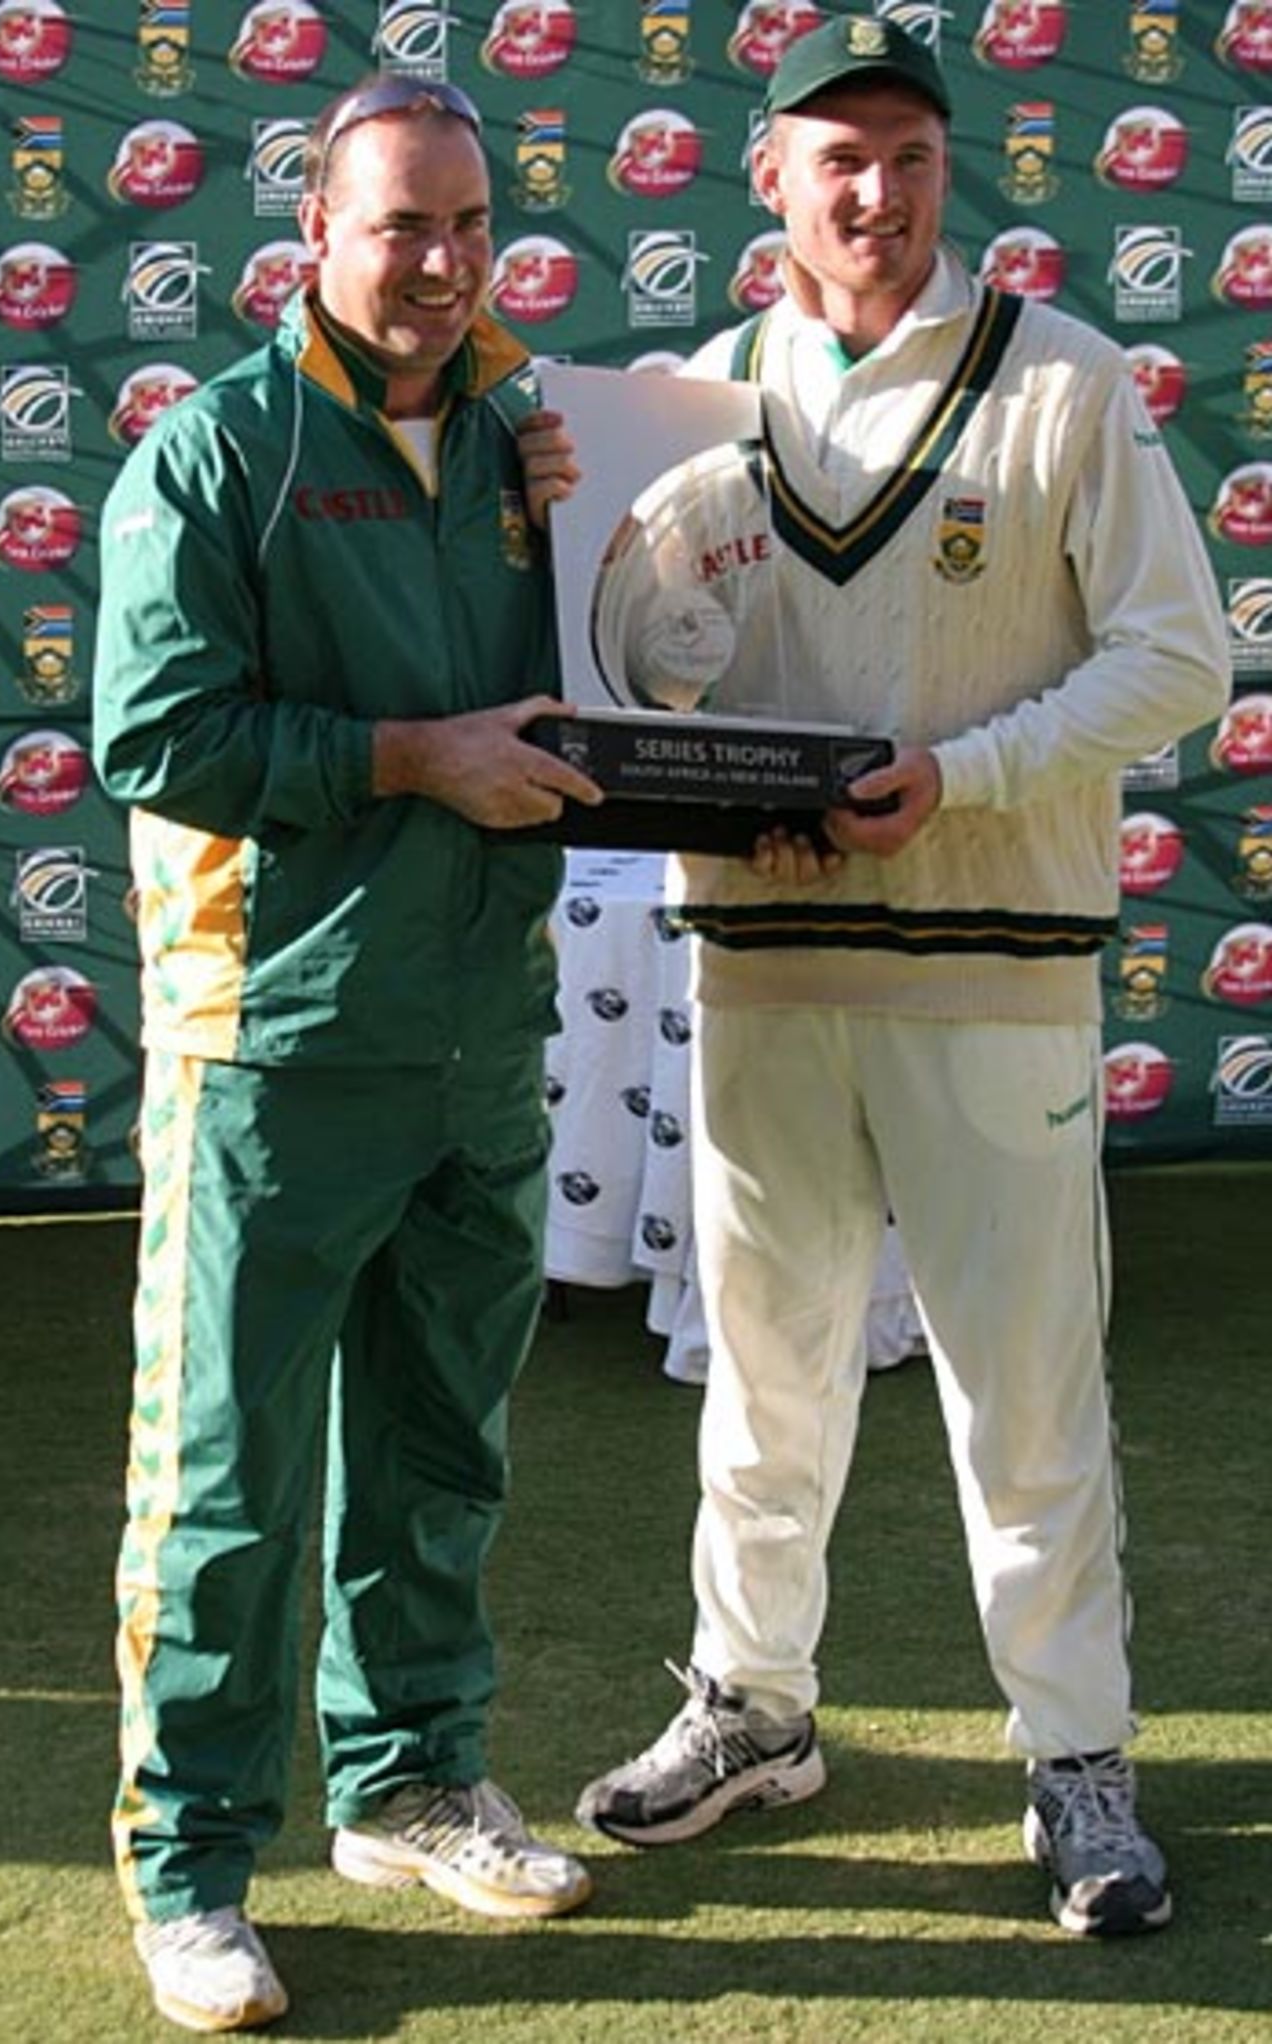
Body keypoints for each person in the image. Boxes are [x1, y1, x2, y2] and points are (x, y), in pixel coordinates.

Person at [521, 15, 1230, 1938]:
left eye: (910, 155)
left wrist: (974, 775)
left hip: (998, 970)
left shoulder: (1065, 382)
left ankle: (1075, 1757)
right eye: (838, 157)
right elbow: (635, 660)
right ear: (769, 180)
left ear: (947, 170)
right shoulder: (686, 403)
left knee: (1025, 1393)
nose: (878, 193)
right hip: (763, 961)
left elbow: (1183, 662)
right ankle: (753, 1707)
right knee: (763, 1378)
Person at [93, 73, 603, 2034]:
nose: (443, 261)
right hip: (273, 1049)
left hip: (478, 1035)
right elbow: (159, 738)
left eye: (472, 224)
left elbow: (613, 679)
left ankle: (408, 1781)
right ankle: (191, 1867)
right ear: (315, 231)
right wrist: (412, 756)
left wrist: (599, 515)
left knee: (433, 1444)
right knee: (223, 1484)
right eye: (403, 224)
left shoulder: (521, 448)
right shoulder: (213, 456)